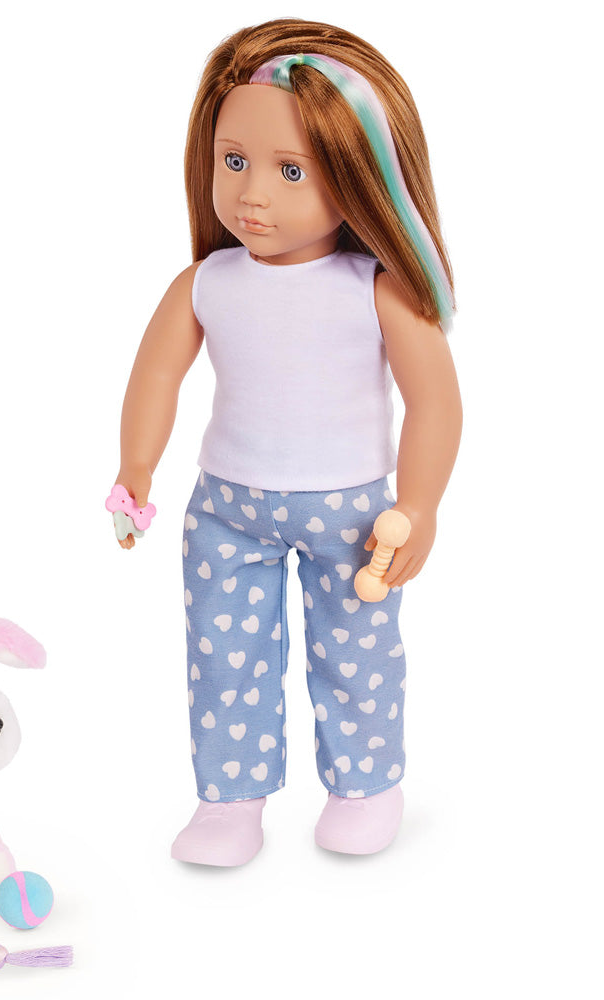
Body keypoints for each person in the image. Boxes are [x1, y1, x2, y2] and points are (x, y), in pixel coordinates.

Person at [112, 19, 461, 864]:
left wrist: (420, 505)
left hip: (352, 511)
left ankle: (365, 785)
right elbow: (156, 375)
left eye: (290, 170)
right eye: (234, 161)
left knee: (357, 653)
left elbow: (436, 404)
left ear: (359, 177)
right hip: (224, 507)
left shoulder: (377, 290)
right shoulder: (206, 283)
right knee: (224, 659)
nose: (252, 196)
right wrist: (136, 468)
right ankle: (229, 801)